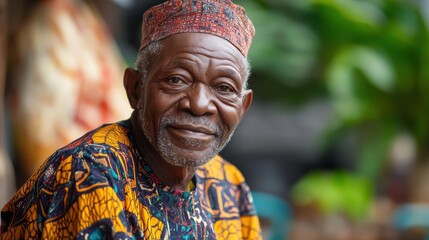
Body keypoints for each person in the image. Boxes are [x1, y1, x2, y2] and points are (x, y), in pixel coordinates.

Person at [1, 0, 261, 239]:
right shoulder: (91, 173)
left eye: (224, 88)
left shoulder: (228, 184)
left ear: (242, 106)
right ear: (135, 89)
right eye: (176, 80)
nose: (199, 104)